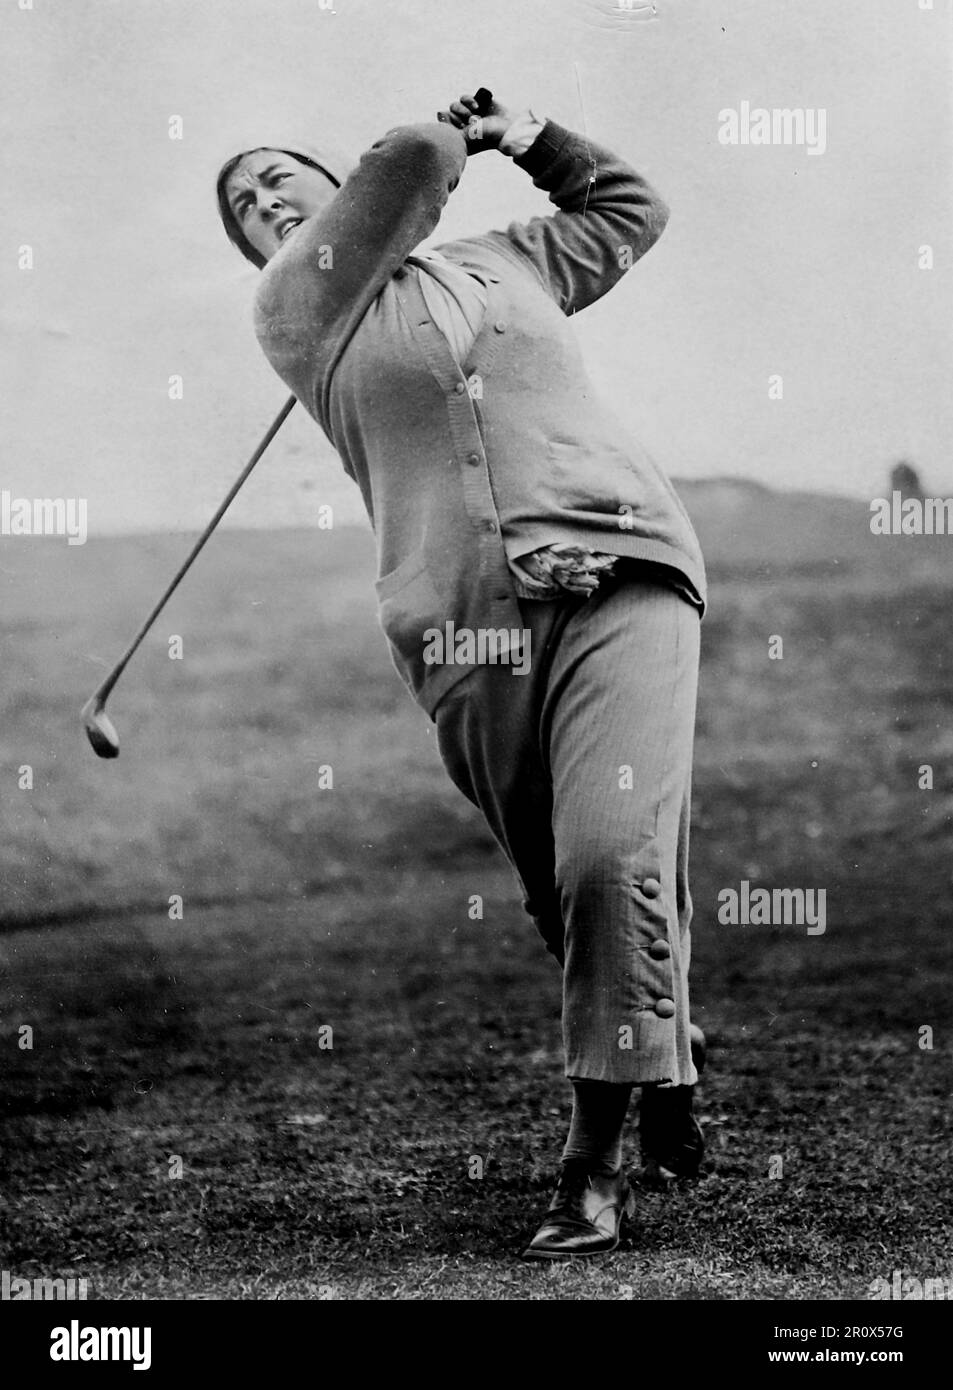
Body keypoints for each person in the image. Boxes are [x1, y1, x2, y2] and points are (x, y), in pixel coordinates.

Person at [216, 91, 709, 1260]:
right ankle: (666, 1048)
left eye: (279, 172)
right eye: (242, 204)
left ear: (327, 172)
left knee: (608, 853)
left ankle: (587, 1167)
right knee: (559, 889)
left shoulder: (509, 260)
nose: (263, 198)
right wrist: (456, 128)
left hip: (622, 570)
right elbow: (411, 157)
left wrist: (531, 135)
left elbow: (629, 209)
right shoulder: (296, 309)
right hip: (459, 627)